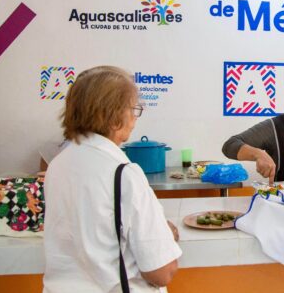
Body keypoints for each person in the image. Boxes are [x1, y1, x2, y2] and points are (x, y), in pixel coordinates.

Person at [43, 66, 182, 292]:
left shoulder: (58, 164)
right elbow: (161, 272)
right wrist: (164, 235)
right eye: (134, 109)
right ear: (114, 114)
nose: (135, 119)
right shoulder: (123, 173)